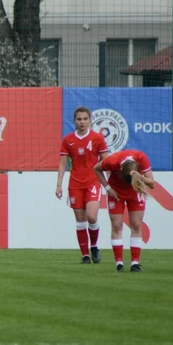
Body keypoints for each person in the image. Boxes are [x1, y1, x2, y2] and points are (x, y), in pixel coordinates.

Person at [55, 106, 110, 264]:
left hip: (93, 182)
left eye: (85, 119)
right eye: (79, 119)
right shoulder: (68, 140)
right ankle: (85, 255)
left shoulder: (98, 138)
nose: (82, 122)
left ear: (90, 120)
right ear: (74, 121)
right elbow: (62, 164)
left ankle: (94, 246)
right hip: (75, 184)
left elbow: (106, 162)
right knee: (80, 221)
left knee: (92, 216)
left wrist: (109, 183)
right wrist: (59, 185)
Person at [94, 149, 156, 273]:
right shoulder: (112, 161)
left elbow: (152, 183)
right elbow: (96, 168)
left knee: (136, 225)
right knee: (117, 226)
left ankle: (135, 263)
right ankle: (119, 263)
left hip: (135, 190)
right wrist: (107, 188)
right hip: (116, 193)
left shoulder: (141, 158)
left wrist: (140, 178)